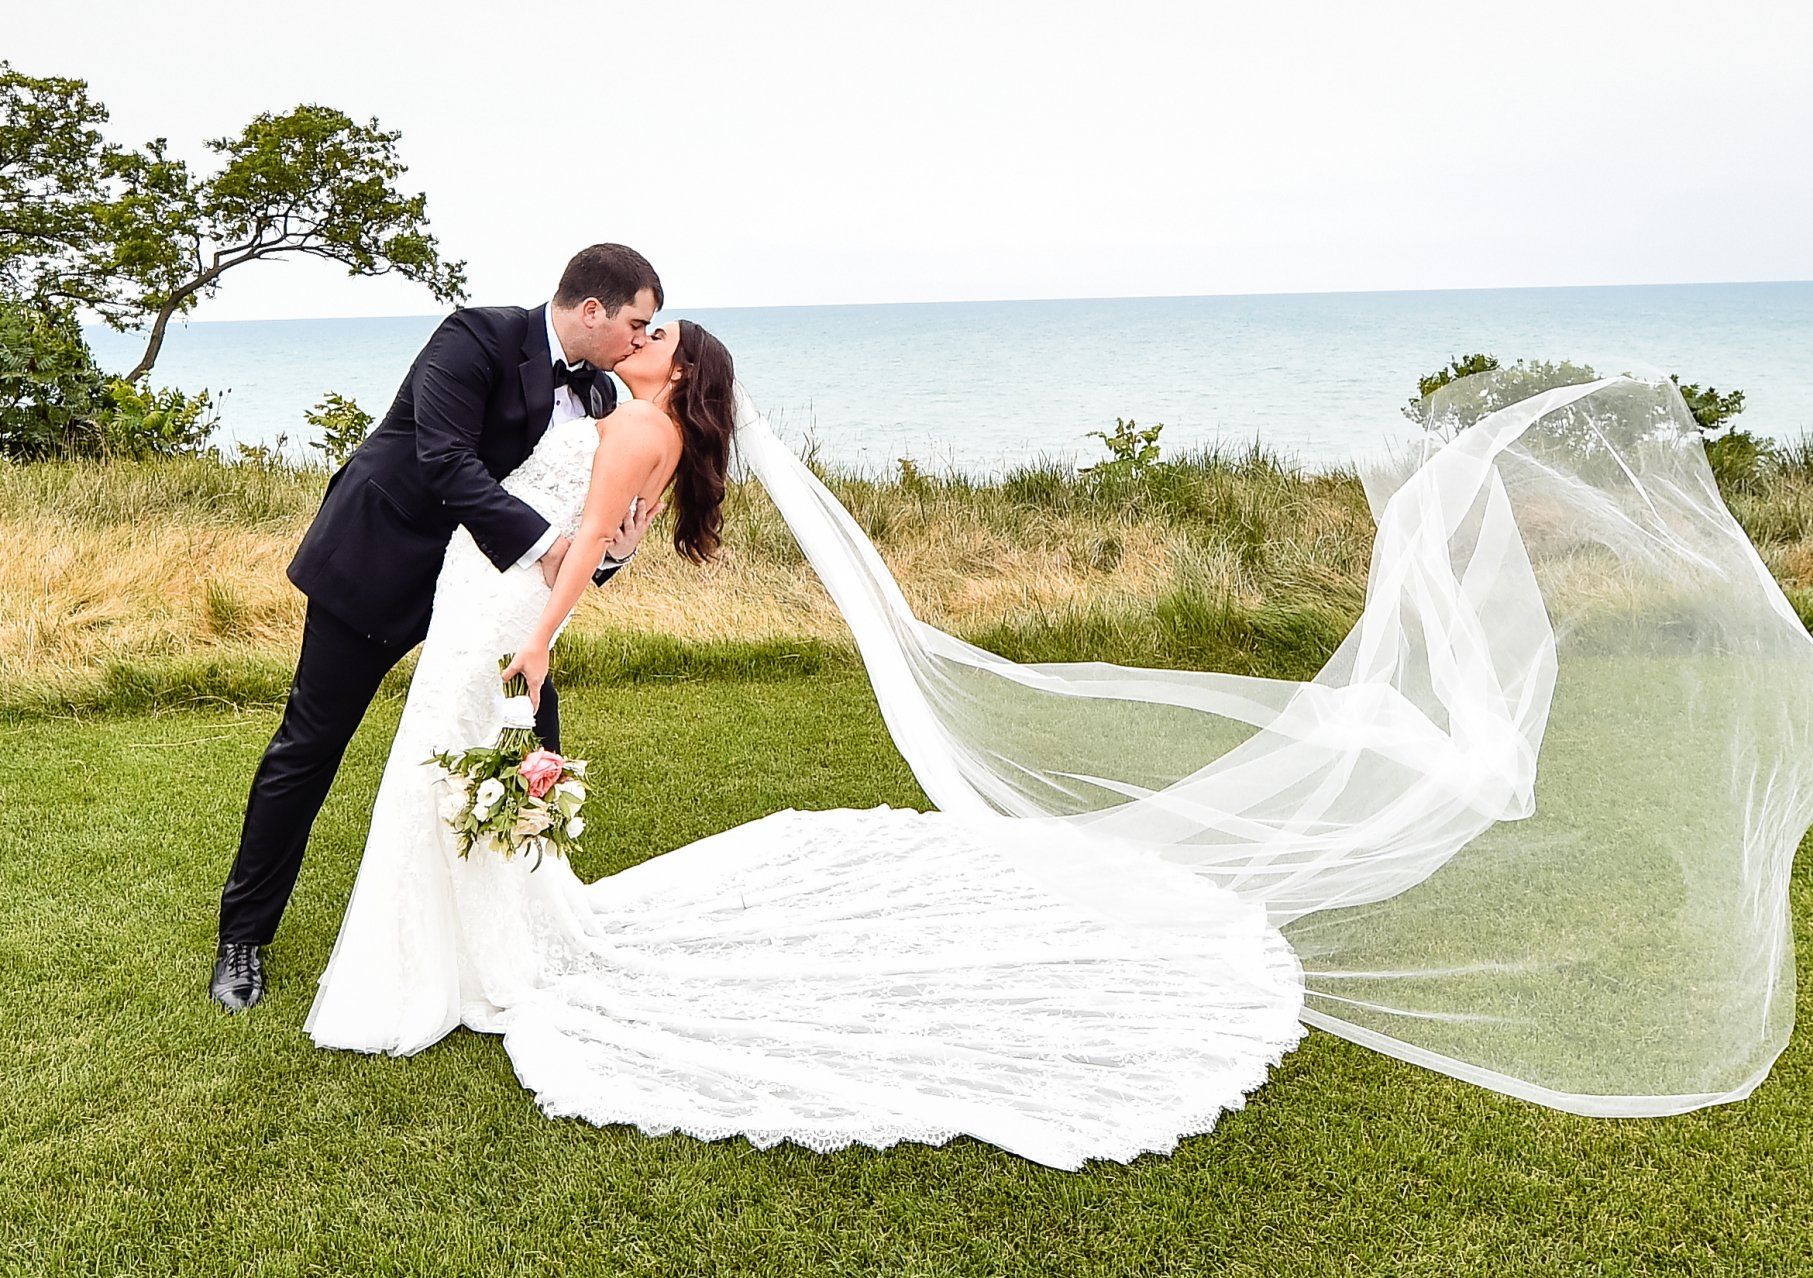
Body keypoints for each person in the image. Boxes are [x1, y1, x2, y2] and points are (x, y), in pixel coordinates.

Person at [303, 319, 1309, 1171]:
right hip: (493, 590)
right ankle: (480, 942)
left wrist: (536, 635)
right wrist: (554, 605)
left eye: (656, 336)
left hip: (501, 605)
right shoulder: (653, 435)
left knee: (448, 757)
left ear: (679, 372)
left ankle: (451, 957)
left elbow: (587, 550)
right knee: (459, 762)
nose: (640, 338)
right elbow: (622, 545)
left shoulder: (627, 431)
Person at [210, 243, 664, 1013]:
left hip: (489, 601)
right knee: (311, 746)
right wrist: (551, 548)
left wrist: (613, 553)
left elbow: (584, 527)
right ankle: (243, 938)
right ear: (592, 310)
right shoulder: (475, 338)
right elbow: (447, 461)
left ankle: (523, 927)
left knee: (531, 748)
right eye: (637, 323)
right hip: (381, 564)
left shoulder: (600, 402)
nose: (642, 342)